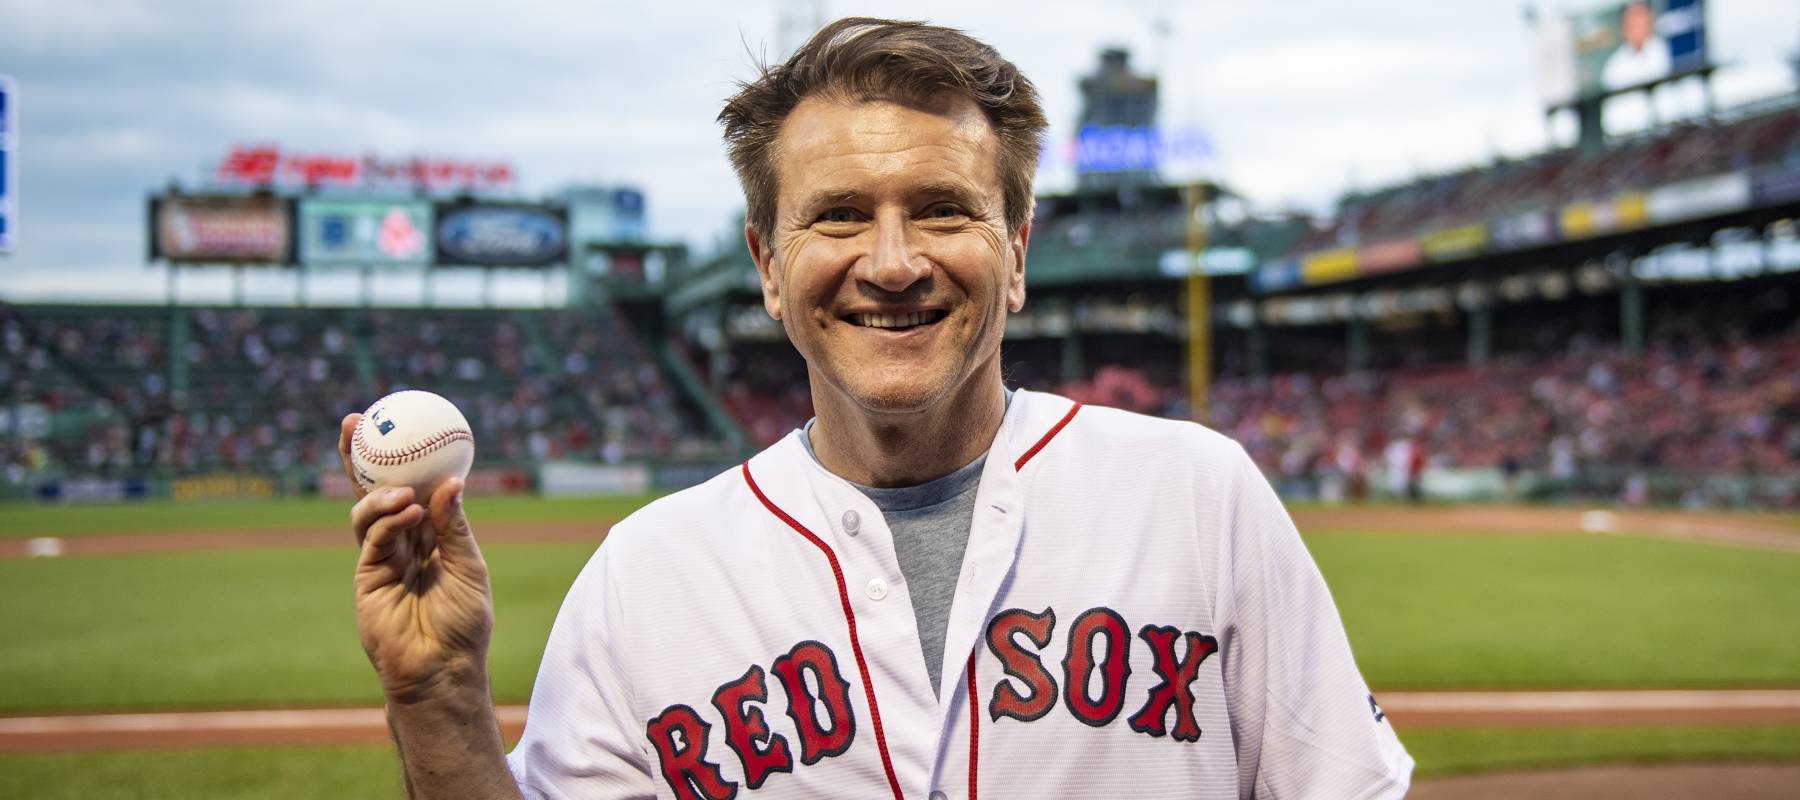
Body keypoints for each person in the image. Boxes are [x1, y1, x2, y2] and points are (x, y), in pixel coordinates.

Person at [341, 18, 1411, 799]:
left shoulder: (1198, 497)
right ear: (768, 263)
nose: (892, 263)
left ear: (1017, 250)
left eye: (943, 209)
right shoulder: (642, 579)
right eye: (840, 216)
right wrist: (437, 699)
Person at [1601, 1, 1671, 91]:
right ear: (1624, 28)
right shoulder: (1614, 68)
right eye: (1634, 26)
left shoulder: (1666, 49)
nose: (1640, 30)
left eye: (1643, 24)